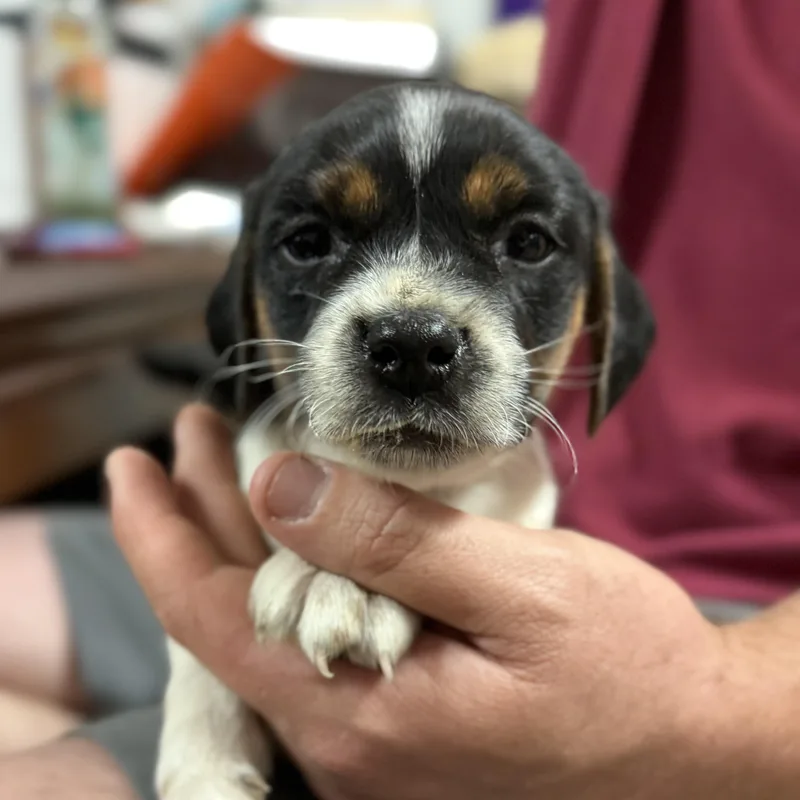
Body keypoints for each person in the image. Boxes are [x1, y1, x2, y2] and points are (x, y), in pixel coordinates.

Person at [2, 0, 799, 796]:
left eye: (523, 243)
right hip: (306, 497)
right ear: (241, 300)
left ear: (605, 307)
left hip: (731, 625)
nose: (414, 331)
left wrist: (705, 708)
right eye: (311, 243)